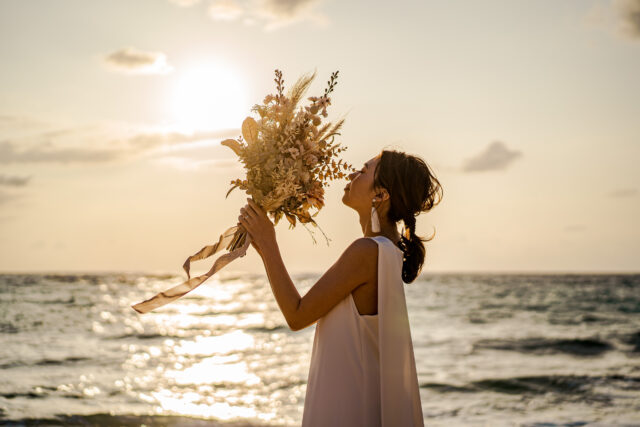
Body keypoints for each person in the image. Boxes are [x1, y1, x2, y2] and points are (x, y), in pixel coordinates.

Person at [237, 149, 443, 426]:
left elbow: (297, 315)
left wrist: (270, 243)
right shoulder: (389, 252)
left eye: (362, 171)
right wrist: (262, 244)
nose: (350, 175)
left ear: (380, 195)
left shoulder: (367, 252)